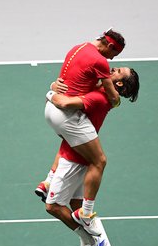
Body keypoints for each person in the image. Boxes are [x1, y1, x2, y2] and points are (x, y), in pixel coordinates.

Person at [41, 67, 139, 246]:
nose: (112, 68)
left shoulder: (98, 98)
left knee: (53, 207)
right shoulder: (102, 92)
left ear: (118, 83)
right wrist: (55, 85)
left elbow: (63, 102)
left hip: (73, 159)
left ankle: (93, 242)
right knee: (75, 204)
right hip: (78, 154)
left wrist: (48, 92)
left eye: (118, 71)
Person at [42, 29, 126, 235]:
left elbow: (67, 81)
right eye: (113, 55)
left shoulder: (77, 48)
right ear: (111, 46)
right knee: (99, 161)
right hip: (65, 112)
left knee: (66, 144)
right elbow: (113, 97)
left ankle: (48, 181)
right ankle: (86, 214)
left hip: (52, 112)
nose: (111, 60)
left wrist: (52, 86)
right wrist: (52, 92)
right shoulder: (101, 66)